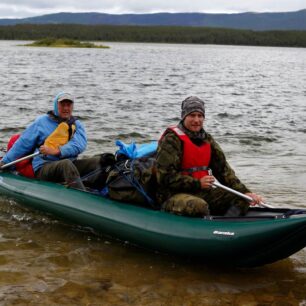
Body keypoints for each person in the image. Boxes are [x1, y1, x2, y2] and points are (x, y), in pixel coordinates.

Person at [156, 96, 263, 217]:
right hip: (171, 195)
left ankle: (226, 226)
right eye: (192, 115)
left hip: (200, 192)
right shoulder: (171, 140)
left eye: (200, 116)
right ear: (184, 116)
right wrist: (197, 183)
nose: (196, 120)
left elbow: (224, 171)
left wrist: (245, 192)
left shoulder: (207, 140)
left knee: (242, 198)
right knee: (199, 206)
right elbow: (164, 177)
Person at [0, 92, 106, 190]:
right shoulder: (41, 122)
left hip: (70, 165)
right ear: (56, 105)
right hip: (43, 167)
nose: (66, 108)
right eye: (62, 105)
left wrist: (57, 151)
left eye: (68, 105)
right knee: (66, 164)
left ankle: (99, 191)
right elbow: (22, 144)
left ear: (72, 107)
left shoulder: (77, 124)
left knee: (99, 160)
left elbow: (79, 145)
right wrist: (5, 161)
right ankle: (82, 198)